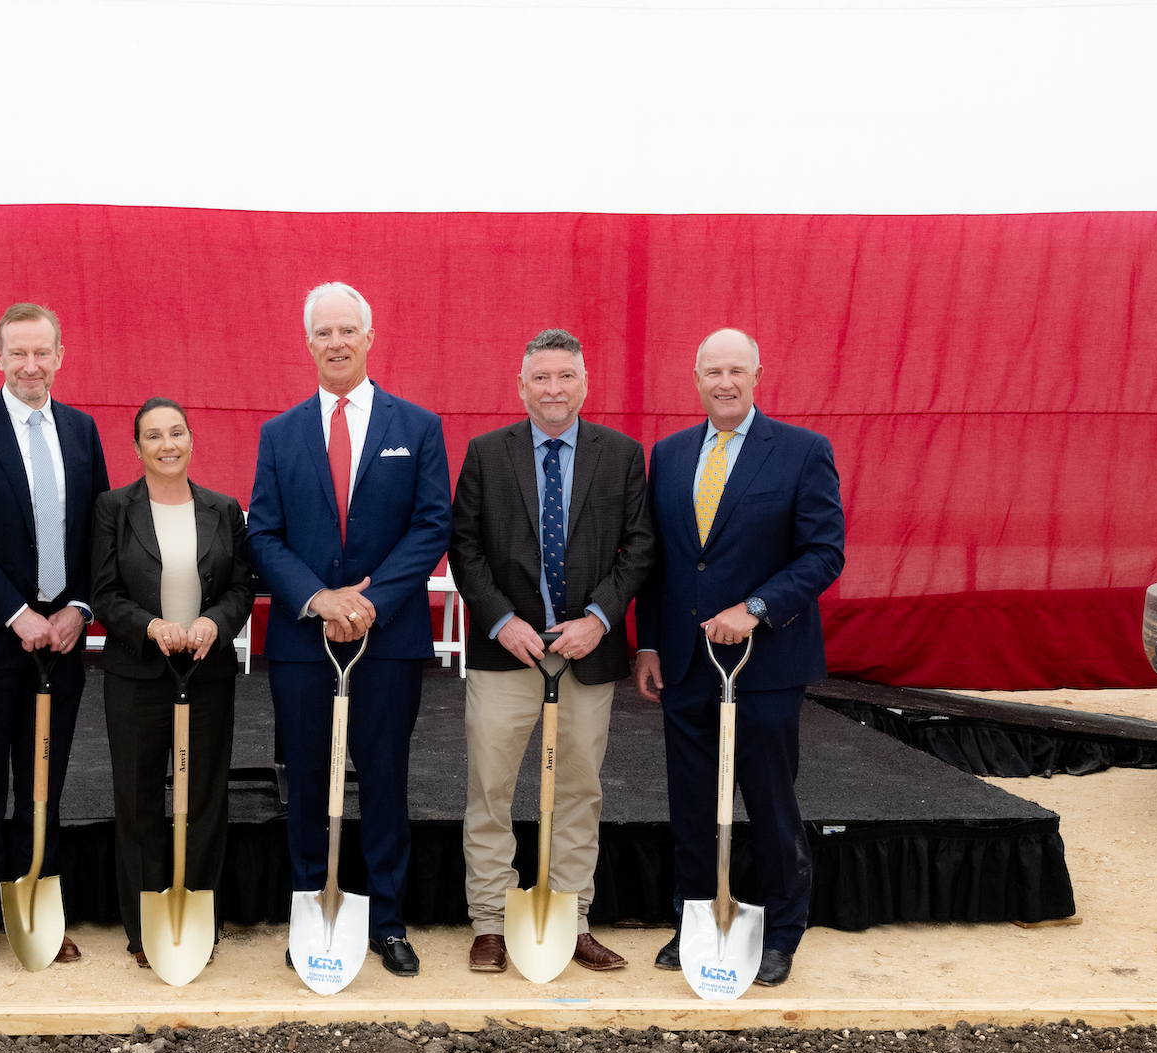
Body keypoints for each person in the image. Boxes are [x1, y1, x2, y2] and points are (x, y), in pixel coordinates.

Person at [247, 281, 452, 976]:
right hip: (305, 642)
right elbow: (263, 533)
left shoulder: (417, 426)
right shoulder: (279, 434)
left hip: (387, 639)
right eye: (323, 332)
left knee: (386, 779)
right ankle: (315, 911)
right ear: (308, 343)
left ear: (370, 337)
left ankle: (387, 919)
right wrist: (317, 598)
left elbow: (432, 524)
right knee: (306, 780)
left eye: (348, 331)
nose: (336, 342)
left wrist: (370, 601)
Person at [636, 328, 845, 987]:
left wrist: (754, 608)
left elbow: (823, 553)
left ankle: (782, 932)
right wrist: (645, 640)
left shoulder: (803, 452)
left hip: (766, 664)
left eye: (736, 370)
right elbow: (662, 561)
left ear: (758, 374)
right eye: (712, 371)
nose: (724, 382)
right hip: (685, 664)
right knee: (693, 802)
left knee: (770, 801)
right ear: (695, 378)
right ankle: (696, 918)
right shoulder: (668, 455)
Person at [448, 328, 656, 974]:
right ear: (521, 386)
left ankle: (573, 917)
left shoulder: (620, 455)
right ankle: (489, 921)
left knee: (578, 791)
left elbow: (640, 546)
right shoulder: (487, 453)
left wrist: (600, 617)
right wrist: (500, 619)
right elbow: (465, 547)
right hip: (506, 652)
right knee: (490, 788)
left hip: (586, 652)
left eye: (565, 375)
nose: (554, 388)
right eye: (541, 377)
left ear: (584, 383)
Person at [0, 303, 110, 969]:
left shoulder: (82, 430)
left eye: (43, 353)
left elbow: (100, 529)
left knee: (44, 783)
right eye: (19, 353)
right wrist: (17, 611)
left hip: (61, 643)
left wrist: (79, 608)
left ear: (60, 355)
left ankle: (36, 902)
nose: (31, 366)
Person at [90, 398, 256, 965]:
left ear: (192, 440)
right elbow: (105, 592)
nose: (167, 444)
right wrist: (149, 625)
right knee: (137, 800)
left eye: (177, 433)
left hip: (206, 671)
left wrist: (215, 623)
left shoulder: (223, 508)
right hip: (137, 673)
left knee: (205, 796)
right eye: (154, 436)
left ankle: (198, 917)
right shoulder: (114, 508)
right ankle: (145, 928)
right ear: (136, 448)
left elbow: (240, 587)